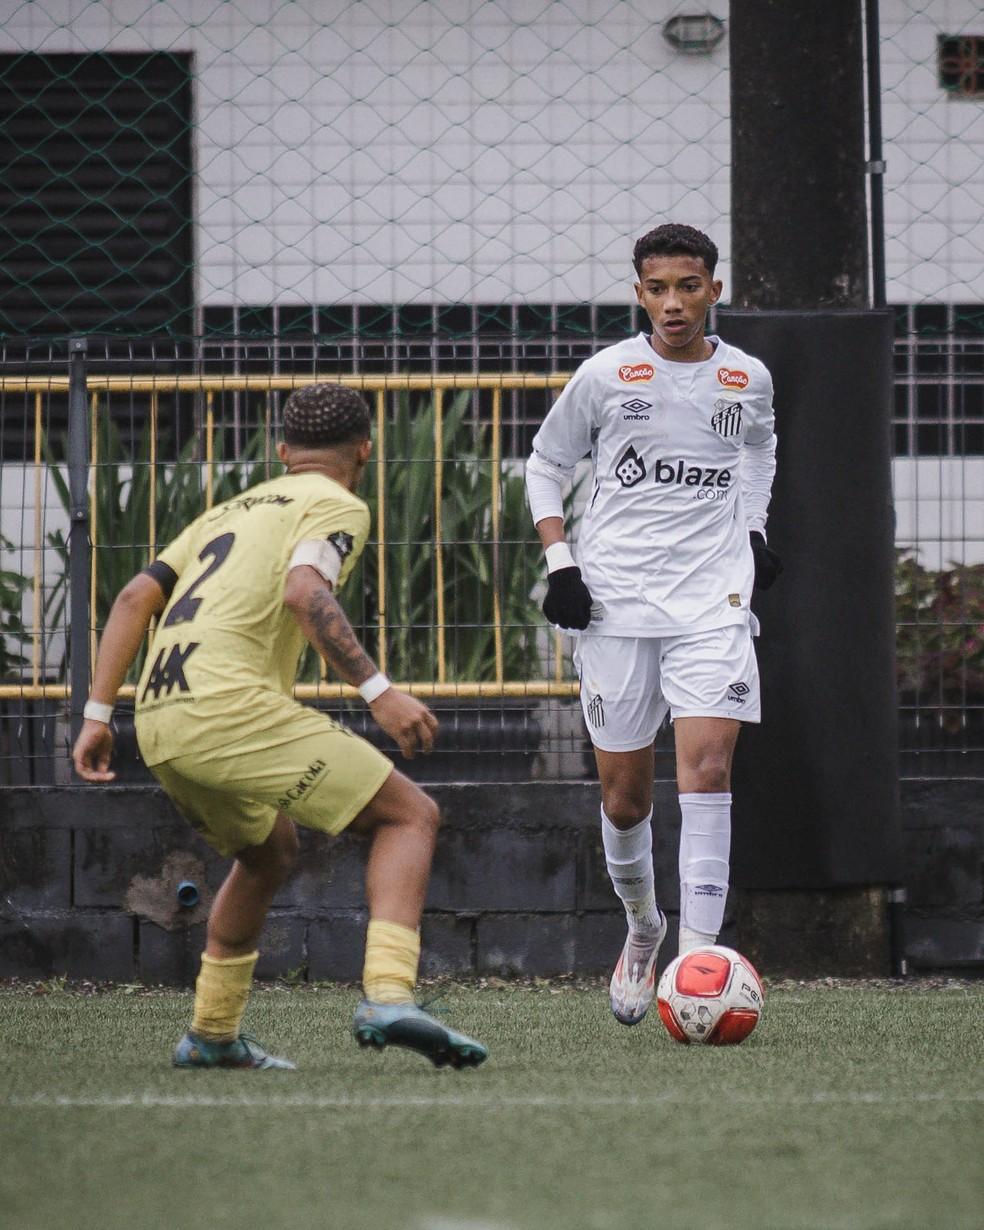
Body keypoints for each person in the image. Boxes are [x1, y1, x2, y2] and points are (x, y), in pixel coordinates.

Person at [72, 383, 487, 1071]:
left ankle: (211, 1031)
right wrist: (379, 691)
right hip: (228, 708)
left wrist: (95, 715)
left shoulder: (225, 512)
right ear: (365, 449)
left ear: (283, 451)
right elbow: (304, 590)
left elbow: (134, 596)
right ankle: (388, 994)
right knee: (409, 815)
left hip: (159, 719)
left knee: (268, 852)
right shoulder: (338, 502)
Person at [525, 223, 781, 1026]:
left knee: (707, 775)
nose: (674, 303)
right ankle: (644, 928)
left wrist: (753, 530)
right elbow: (544, 464)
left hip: (713, 603)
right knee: (626, 800)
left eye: (689, 286)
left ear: (714, 289)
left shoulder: (747, 378)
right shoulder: (606, 375)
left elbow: (758, 454)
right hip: (616, 605)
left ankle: (696, 963)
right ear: (639, 293)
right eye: (658, 288)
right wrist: (560, 563)